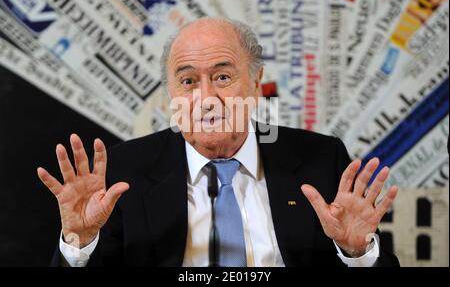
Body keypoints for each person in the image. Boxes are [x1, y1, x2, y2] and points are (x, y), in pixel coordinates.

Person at [37, 17, 399, 267]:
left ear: (257, 84)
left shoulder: (322, 160)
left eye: (222, 77)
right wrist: (80, 244)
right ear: (171, 96)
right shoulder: (124, 173)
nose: (206, 97)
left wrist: (356, 253)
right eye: (189, 82)